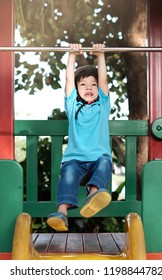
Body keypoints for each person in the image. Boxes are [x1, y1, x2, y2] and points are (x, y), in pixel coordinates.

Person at [47, 43, 112, 231]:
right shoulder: (73, 107)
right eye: (83, 84)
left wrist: (101, 55)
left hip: (98, 158)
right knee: (67, 175)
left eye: (93, 84)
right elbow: (68, 81)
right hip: (75, 160)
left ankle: (94, 195)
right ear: (77, 89)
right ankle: (61, 213)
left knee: (105, 163)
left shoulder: (102, 105)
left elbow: (104, 81)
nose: (89, 87)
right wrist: (71, 55)